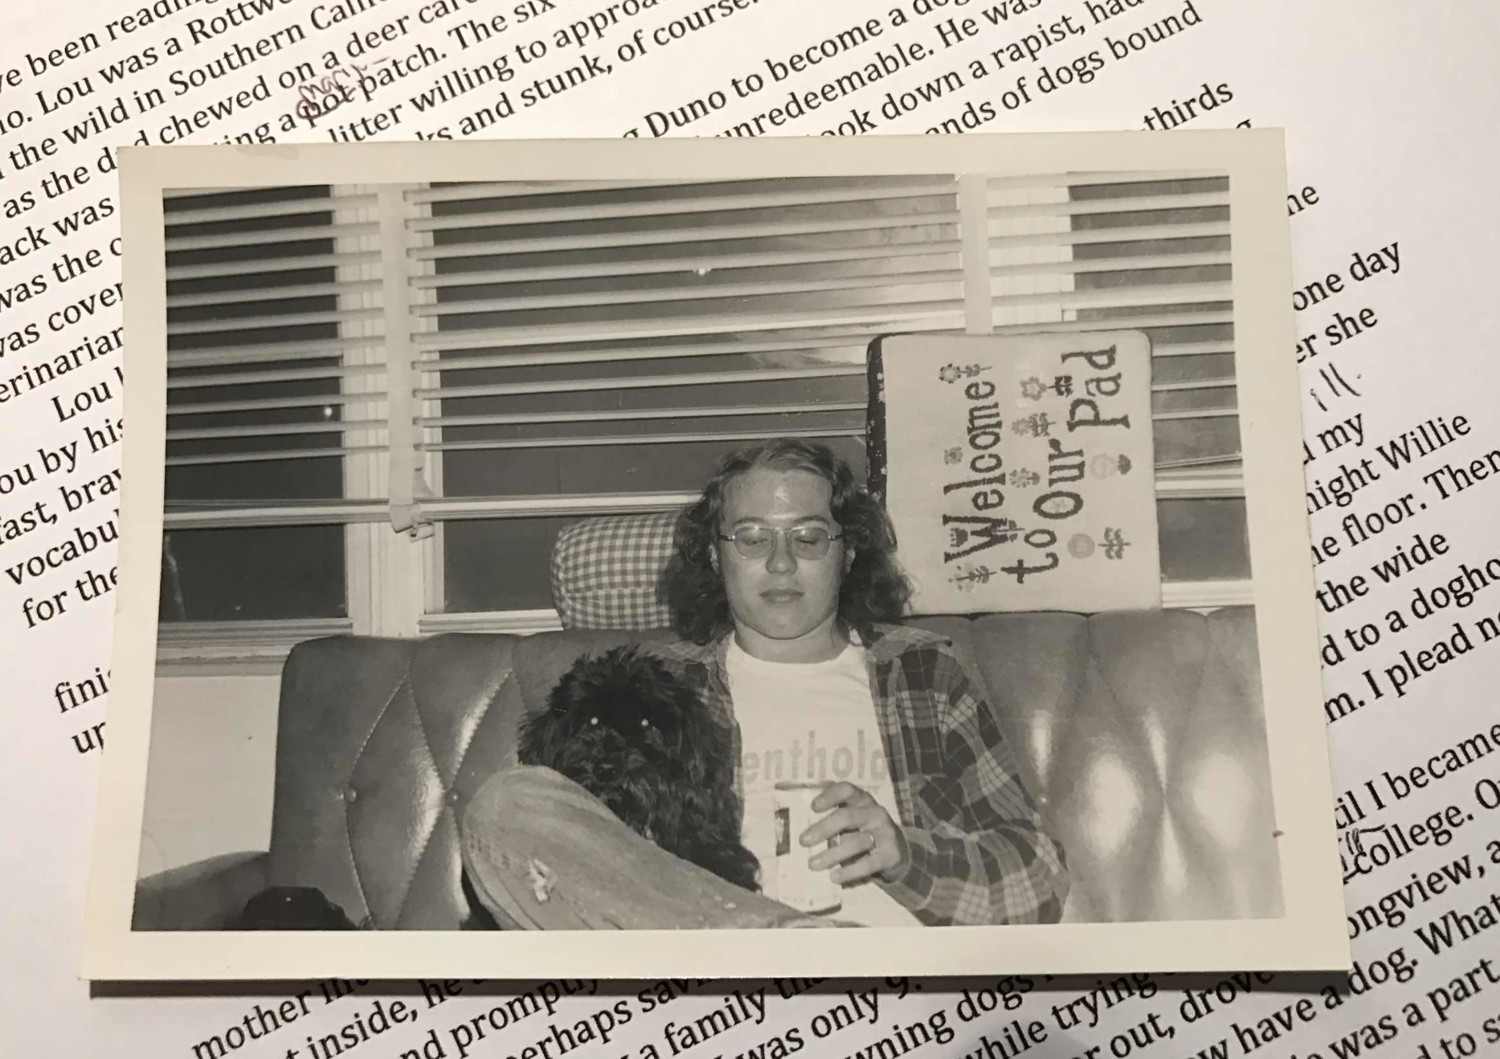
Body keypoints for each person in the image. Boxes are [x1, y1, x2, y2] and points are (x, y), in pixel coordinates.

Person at [652, 438, 1069, 927]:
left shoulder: (924, 673)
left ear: (847, 553)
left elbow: (1038, 877)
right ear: (715, 554)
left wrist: (908, 858)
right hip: (737, 966)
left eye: (809, 538)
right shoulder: (662, 689)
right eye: (752, 537)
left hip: (904, 966)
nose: (781, 562)